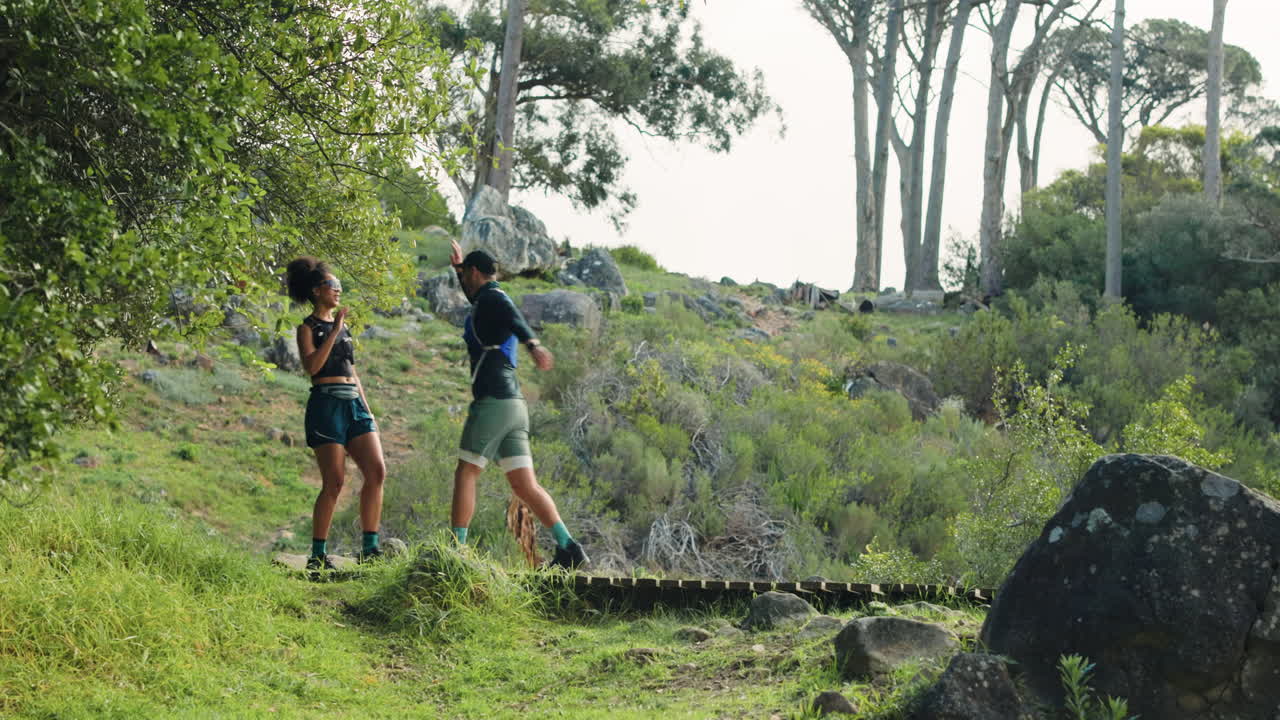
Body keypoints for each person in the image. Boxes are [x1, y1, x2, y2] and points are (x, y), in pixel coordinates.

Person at [447, 239, 588, 569]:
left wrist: (533, 344)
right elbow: (478, 299)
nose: (465, 281)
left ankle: (456, 550)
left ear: (476, 272)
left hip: (493, 402)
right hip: (514, 406)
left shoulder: (496, 299)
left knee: (466, 472)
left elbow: (512, 316)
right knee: (524, 483)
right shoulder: (487, 299)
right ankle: (569, 548)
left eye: (466, 274)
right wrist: (457, 269)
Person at [285, 257, 387, 572]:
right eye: (334, 285)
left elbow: (352, 373)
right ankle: (318, 555)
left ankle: (370, 548)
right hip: (326, 406)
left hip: (353, 404)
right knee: (335, 481)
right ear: (317, 291)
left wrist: (368, 414)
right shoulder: (307, 327)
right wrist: (334, 331)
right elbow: (312, 367)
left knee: (377, 472)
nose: (339, 290)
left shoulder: (345, 329)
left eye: (340, 286)